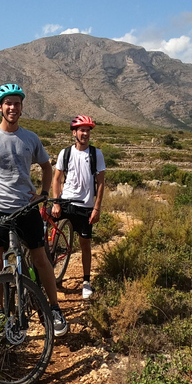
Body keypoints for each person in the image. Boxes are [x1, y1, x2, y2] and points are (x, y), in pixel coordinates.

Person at [0, 83, 68, 336]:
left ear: (22, 108)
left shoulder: (30, 138)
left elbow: (47, 168)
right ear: (0, 107)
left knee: (39, 257)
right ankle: (0, 312)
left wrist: (44, 194)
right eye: (8, 103)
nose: (13, 107)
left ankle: (55, 309)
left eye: (17, 103)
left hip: (27, 209)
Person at [51, 115, 106, 299]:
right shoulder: (65, 153)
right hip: (66, 202)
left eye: (88, 130)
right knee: (51, 239)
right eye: (82, 130)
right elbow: (56, 179)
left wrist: (96, 208)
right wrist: (56, 201)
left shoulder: (95, 154)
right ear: (74, 132)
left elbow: (101, 183)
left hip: (85, 206)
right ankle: (51, 273)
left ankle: (86, 281)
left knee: (85, 245)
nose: (85, 133)